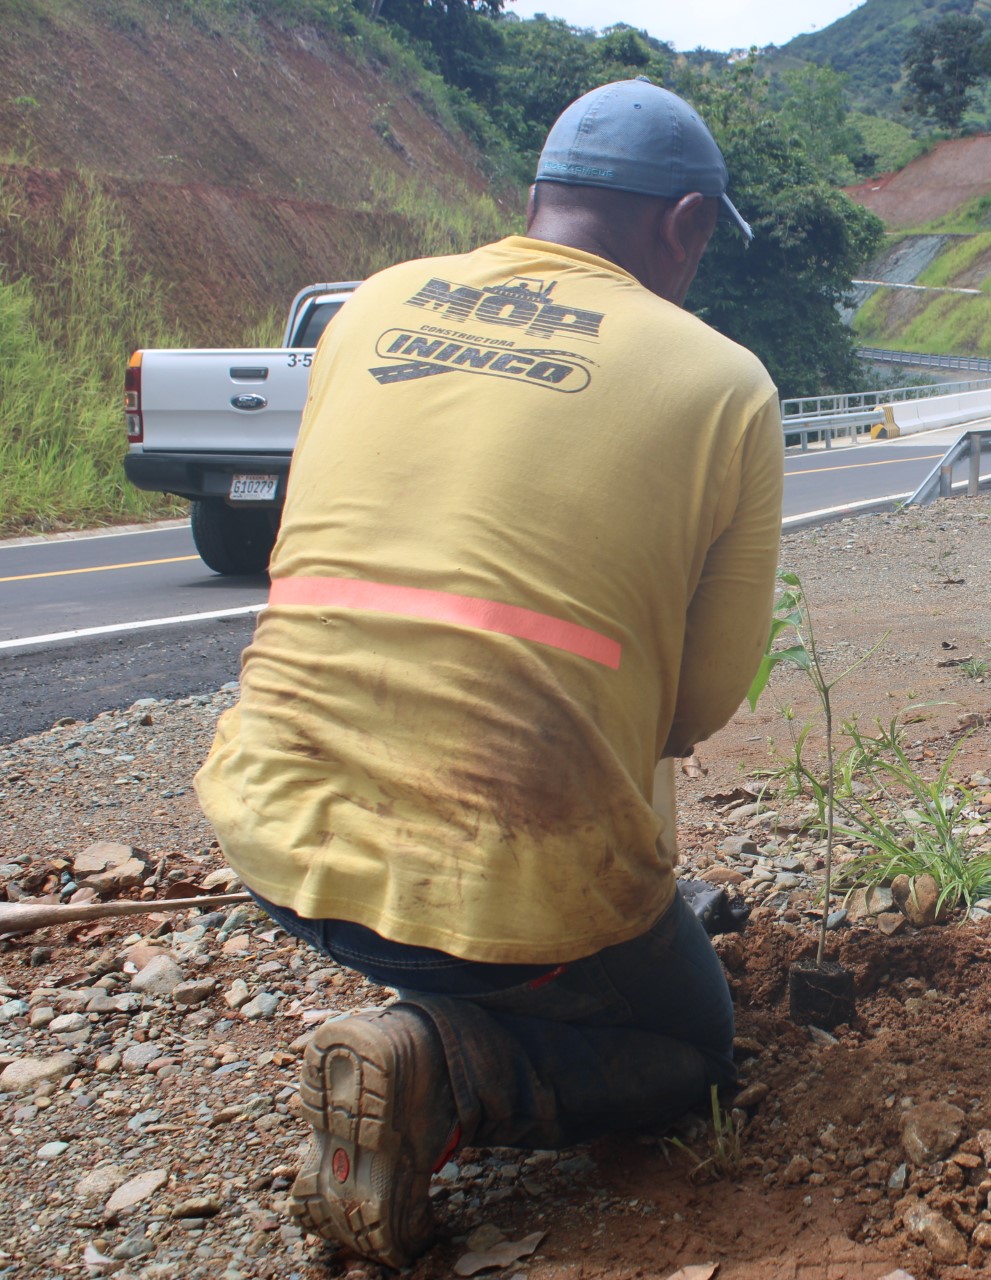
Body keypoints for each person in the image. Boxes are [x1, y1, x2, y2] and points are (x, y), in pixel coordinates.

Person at [193, 79, 782, 1266]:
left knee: (538, 920)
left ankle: (456, 994)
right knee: (697, 1053)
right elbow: (700, 703)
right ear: (684, 224)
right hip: (514, 877)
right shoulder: (724, 383)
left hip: (274, 831)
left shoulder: (370, 308)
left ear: (537, 199)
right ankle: (449, 1069)